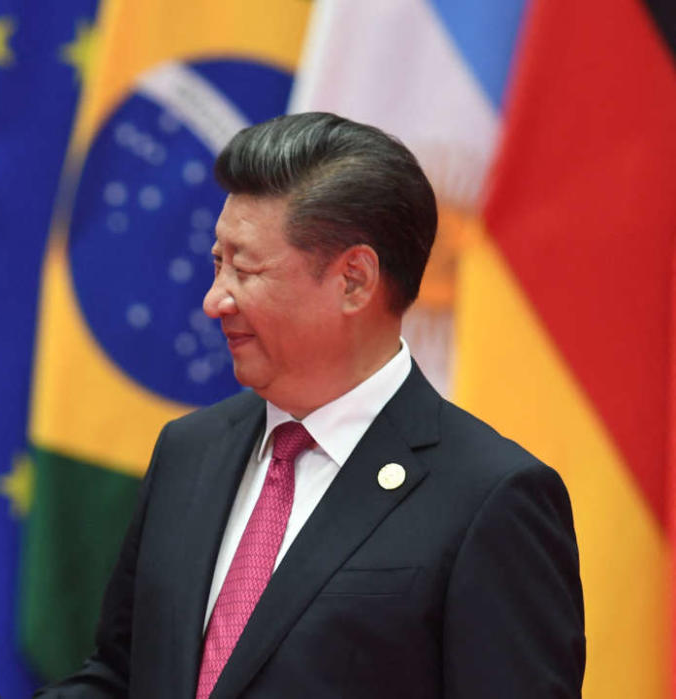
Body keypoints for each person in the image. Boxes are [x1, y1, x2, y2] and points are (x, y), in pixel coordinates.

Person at [38, 112, 584, 698]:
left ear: (354, 280)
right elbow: (124, 677)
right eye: (217, 262)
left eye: (245, 270)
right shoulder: (189, 450)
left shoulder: (492, 497)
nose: (214, 299)